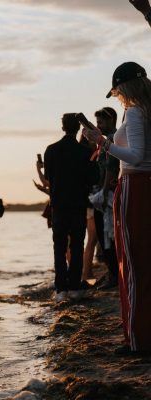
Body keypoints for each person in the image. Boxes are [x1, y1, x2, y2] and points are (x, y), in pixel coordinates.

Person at [83, 61, 151, 354]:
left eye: (118, 92)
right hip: (145, 185)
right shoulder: (146, 111)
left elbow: (134, 156)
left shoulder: (135, 112)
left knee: (132, 265)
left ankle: (137, 341)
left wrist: (102, 142)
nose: (119, 99)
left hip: (135, 187)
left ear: (124, 88)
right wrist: (108, 140)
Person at [44, 113, 98, 302]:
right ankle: (74, 286)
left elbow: (48, 178)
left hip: (58, 205)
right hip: (78, 204)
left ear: (63, 128)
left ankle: (61, 289)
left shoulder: (51, 150)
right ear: (77, 129)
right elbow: (94, 178)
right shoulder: (84, 152)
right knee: (76, 245)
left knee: (59, 246)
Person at [92, 107, 120, 290]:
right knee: (106, 236)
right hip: (105, 191)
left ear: (110, 121)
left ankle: (114, 274)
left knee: (107, 235)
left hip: (108, 193)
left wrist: (102, 192)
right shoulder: (105, 141)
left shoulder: (112, 140)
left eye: (101, 122)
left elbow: (111, 167)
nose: (98, 126)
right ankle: (113, 272)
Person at [78, 133, 99, 283]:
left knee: (90, 239)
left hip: (85, 202)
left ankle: (86, 272)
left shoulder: (80, 155)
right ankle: (86, 273)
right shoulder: (89, 155)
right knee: (92, 239)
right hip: (90, 202)